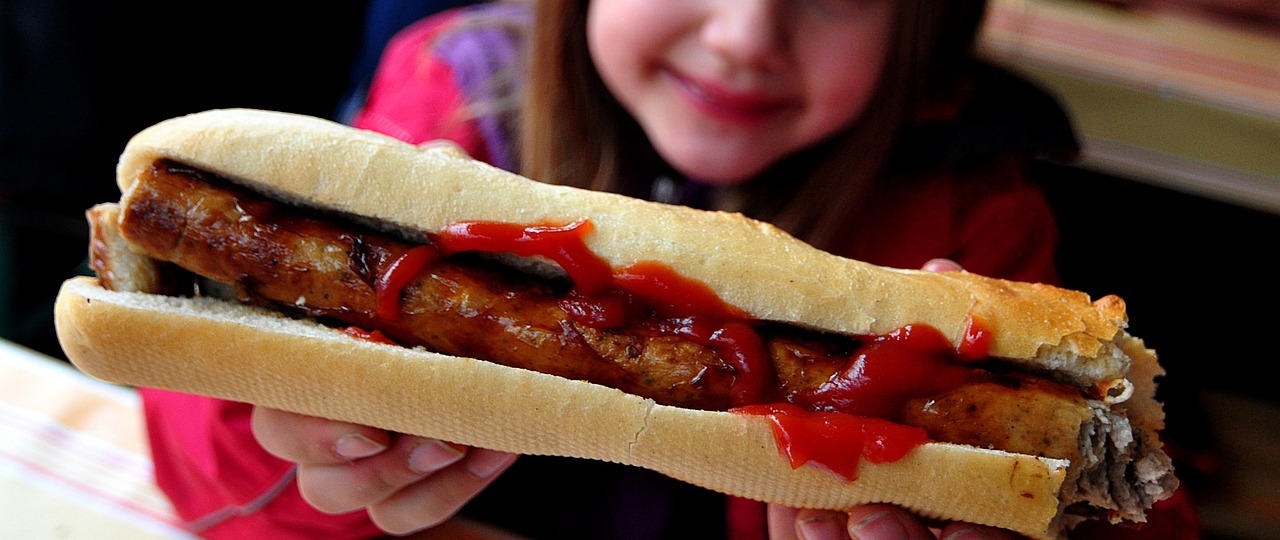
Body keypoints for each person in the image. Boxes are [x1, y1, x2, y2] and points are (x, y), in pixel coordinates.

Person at [141, 1, 1195, 539]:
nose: (746, 36)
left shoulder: (976, 220)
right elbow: (200, 472)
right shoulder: (454, 96)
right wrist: (299, 454)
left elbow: (1133, 506)